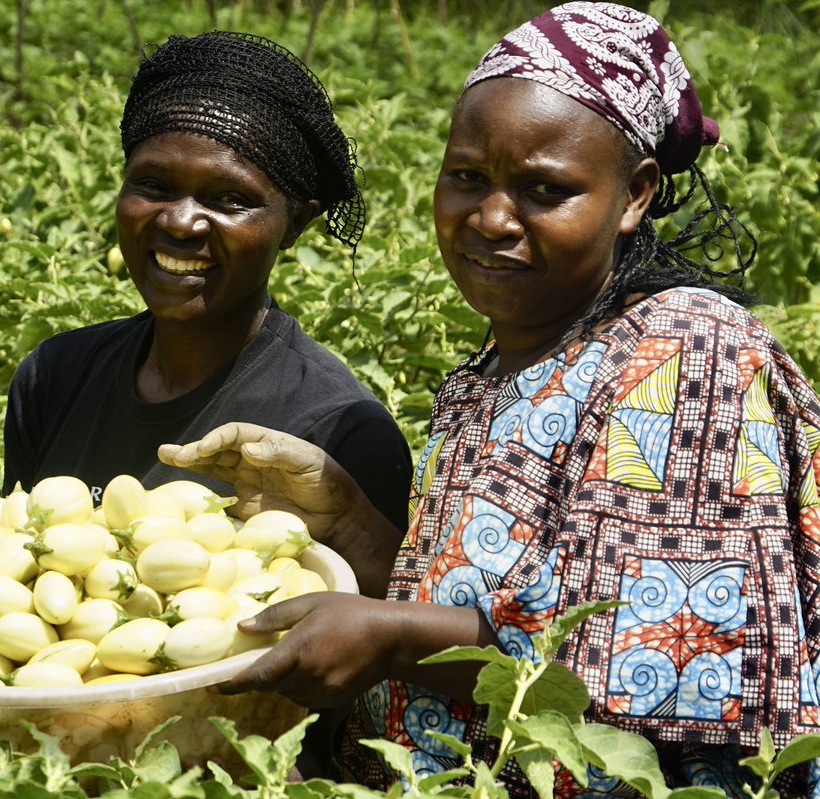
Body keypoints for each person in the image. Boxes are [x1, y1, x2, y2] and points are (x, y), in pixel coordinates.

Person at [160, 4, 820, 794]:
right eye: (467, 177)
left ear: (636, 194)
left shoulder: (689, 349)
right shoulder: (505, 364)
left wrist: (393, 638)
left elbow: (665, 662)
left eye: (545, 189)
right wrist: (347, 521)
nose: (492, 217)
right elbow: (502, 604)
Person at [0, 31, 412, 540]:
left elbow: (376, 608)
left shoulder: (337, 431)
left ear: (296, 225)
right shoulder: (53, 377)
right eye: (154, 184)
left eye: (229, 199)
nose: (180, 222)